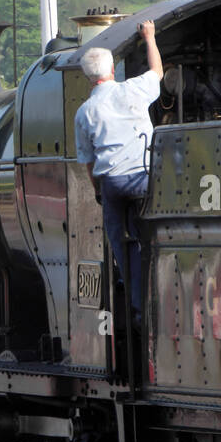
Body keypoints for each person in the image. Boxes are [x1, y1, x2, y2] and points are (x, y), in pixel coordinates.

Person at [74, 19, 163, 322]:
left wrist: (98, 189)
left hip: (112, 182)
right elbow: (157, 74)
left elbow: (87, 159)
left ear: (89, 78)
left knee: (120, 243)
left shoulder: (85, 111)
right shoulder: (133, 90)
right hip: (142, 176)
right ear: (112, 70)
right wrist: (149, 38)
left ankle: (139, 306)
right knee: (150, 235)